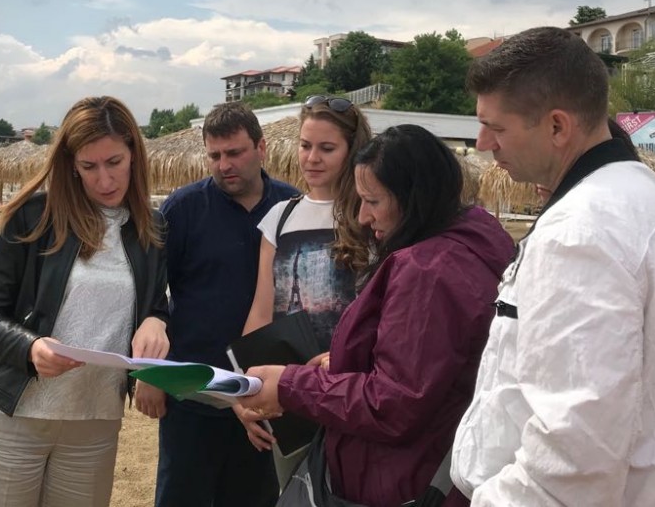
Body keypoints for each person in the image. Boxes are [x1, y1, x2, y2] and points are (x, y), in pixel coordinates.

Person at [451, 26, 655, 506]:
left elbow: (573, 457)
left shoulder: (580, 232)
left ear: (557, 127)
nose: (482, 143)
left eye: (496, 128)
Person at [237, 124, 514, 507]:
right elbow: (429, 366)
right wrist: (350, 361)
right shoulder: (475, 237)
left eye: (372, 201)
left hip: (402, 479)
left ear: (413, 200)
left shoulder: (427, 271)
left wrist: (290, 386)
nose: (363, 216)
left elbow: (394, 403)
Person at [0, 96, 170, 507]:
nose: (104, 180)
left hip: (96, 422)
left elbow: (154, 304)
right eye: (89, 167)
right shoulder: (34, 217)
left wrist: (158, 320)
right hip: (16, 415)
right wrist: (31, 347)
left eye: (114, 162)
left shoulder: (152, 227)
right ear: (71, 164)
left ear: (134, 154)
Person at [138, 101, 299, 507]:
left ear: (261, 148)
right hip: (193, 390)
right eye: (215, 156)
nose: (224, 165)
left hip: (261, 390)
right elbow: (150, 294)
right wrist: (148, 373)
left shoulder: (290, 207)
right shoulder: (182, 208)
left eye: (234, 153)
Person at [242, 95, 372, 350]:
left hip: (349, 369)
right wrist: (242, 368)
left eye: (327, 148)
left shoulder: (370, 215)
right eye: (305, 146)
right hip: (284, 369)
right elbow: (262, 312)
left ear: (352, 152)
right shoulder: (279, 217)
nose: (312, 158)